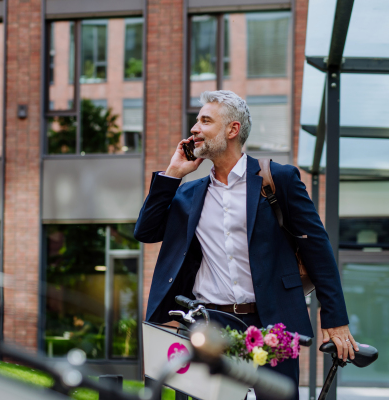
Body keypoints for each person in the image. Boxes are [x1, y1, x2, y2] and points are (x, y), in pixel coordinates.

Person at [134, 90, 357, 399]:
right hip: (208, 325)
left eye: (205, 121)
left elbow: (317, 248)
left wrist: (335, 320)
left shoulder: (277, 179)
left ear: (232, 130)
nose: (194, 129)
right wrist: (173, 174)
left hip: (271, 325)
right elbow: (146, 231)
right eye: (195, 121)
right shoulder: (189, 195)